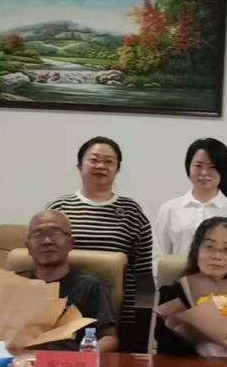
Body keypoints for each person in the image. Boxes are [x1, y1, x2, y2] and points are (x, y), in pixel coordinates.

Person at [46, 136, 152, 305]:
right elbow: (44, 260)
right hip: (61, 304)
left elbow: (143, 272)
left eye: (108, 161)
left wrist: (141, 315)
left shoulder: (132, 211)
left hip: (116, 307)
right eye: (94, 160)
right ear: (80, 166)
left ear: (117, 169)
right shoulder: (59, 207)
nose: (101, 166)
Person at [18, 210, 117, 352]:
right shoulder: (14, 285)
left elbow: (109, 338)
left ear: (70, 243)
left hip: (68, 361)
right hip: (17, 361)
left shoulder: (90, 286)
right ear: (28, 247)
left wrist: (84, 358)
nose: (47, 241)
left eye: (55, 233)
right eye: (38, 235)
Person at [154, 216, 227, 356]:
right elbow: (165, 349)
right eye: (209, 247)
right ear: (196, 251)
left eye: (226, 249)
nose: (217, 256)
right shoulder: (172, 295)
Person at [153, 138, 227, 266]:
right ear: (189, 167)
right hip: (177, 277)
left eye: (212, 167)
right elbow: (158, 255)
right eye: (198, 166)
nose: (204, 172)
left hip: (222, 278)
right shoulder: (170, 209)